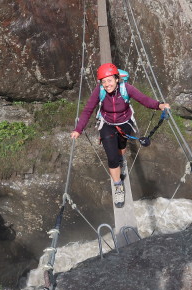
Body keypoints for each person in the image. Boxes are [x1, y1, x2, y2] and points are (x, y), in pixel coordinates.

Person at [71, 63, 170, 208]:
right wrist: (78, 129)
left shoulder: (126, 88)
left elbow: (144, 99)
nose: (106, 84)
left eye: (109, 80)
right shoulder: (99, 91)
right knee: (112, 158)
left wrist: (159, 105)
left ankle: (121, 160)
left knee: (121, 148)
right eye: (103, 81)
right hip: (107, 124)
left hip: (125, 123)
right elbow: (88, 110)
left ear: (117, 79)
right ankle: (118, 186)